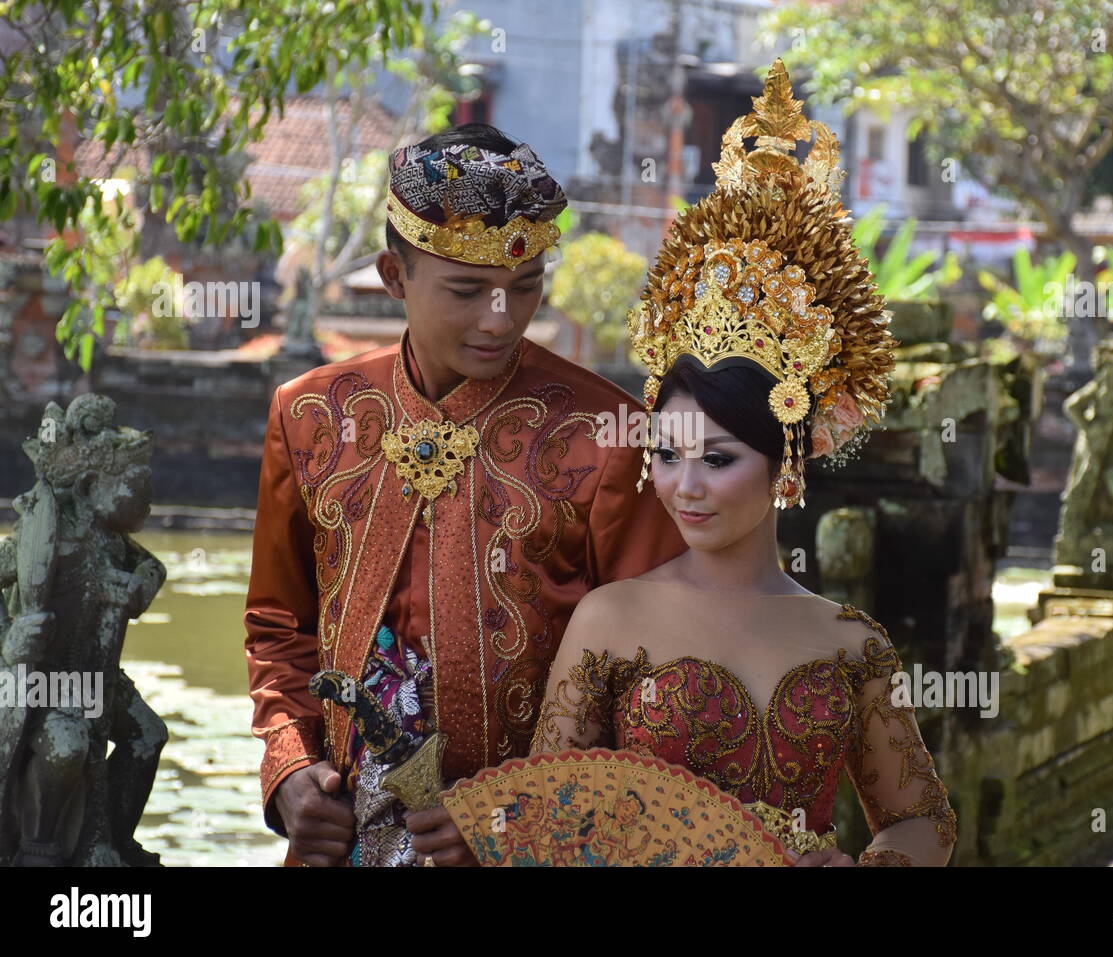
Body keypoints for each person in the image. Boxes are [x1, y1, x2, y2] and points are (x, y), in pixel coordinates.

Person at [527, 60, 957, 866]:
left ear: (784, 462)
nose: (683, 484)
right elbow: (548, 823)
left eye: (717, 458)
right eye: (666, 453)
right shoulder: (609, 622)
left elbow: (922, 817)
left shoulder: (849, 643)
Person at [244, 122, 686, 866]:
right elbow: (278, 625)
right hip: (340, 840)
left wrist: (528, 820)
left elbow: (656, 682)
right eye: (466, 289)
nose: (500, 318)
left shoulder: (609, 435)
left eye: (525, 286)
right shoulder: (311, 415)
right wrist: (288, 768)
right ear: (394, 276)